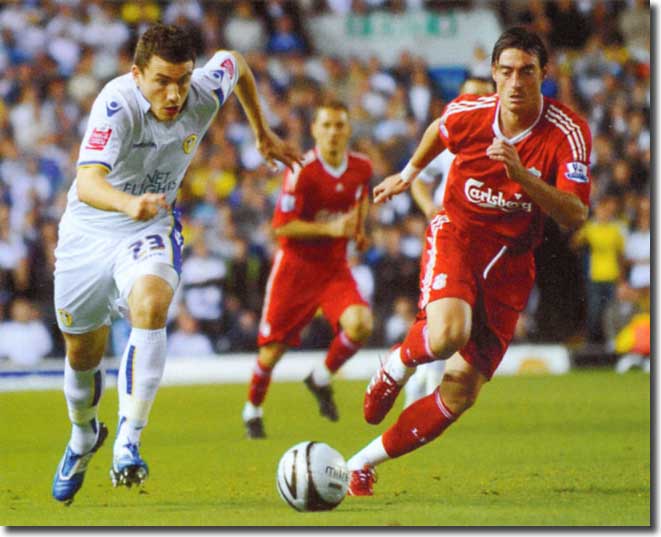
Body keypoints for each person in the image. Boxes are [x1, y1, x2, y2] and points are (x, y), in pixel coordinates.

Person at [51, 24, 300, 504]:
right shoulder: (116, 103)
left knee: (152, 302)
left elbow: (237, 62)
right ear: (136, 73)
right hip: (92, 229)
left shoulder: (203, 88)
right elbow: (86, 183)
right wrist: (127, 204)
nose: (174, 93)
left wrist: (262, 131)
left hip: (149, 226)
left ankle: (128, 440)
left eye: (183, 80)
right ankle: (84, 435)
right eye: (162, 80)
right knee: (81, 353)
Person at [345, 27, 591, 496]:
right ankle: (397, 363)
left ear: (545, 74)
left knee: (460, 393)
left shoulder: (568, 133)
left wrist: (522, 176)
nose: (516, 82)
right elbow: (440, 129)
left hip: (513, 263)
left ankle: (362, 462)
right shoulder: (470, 112)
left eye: (527, 71)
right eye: (506, 72)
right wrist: (409, 172)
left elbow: (575, 212)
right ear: (494, 76)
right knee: (448, 333)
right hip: (457, 232)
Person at [242, 100, 373, 439]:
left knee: (360, 324)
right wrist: (330, 230)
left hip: (334, 268)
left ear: (348, 130)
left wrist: (358, 230)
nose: (333, 132)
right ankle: (252, 410)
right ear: (314, 130)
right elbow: (282, 227)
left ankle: (321, 377)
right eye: (326, 125)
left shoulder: (361, 167)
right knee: (272, 352)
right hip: (296, 270)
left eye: (339, 125)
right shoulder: (301, 170)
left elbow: (360, 198)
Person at [405, 76, 495, 408]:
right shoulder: (449, 143)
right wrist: (429, 206)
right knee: (440, 308)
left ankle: (424, 379)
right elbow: (415, 177)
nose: (478, 102)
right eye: (471, 95)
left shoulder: (502, 146)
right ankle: (422, 378)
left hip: (485, 242)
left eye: (484, 96)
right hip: (449, 235)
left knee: (464, 317)